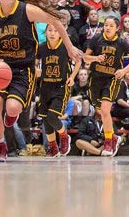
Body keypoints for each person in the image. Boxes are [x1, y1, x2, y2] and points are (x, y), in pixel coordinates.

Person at [0, 0, 82, 162]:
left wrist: (69, 47)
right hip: (0, 68)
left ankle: (12, 115)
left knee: (12, 108)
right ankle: (0, 146)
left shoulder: (26, 10)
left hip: (22, 69)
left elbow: (55, 21)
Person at [84, 16, 129, 157]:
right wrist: (96, 58)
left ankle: (108, 141)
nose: (107, 28)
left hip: (112, 79)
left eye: (111, 26)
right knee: (101, 112)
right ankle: (113, 136)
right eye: (106, 25)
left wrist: (124, 71)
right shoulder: (96, 39)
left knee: (105, 110)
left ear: (117, 28)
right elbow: (85, 57)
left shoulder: (121, 42)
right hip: (96, 79)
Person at [37, 23, 80, 157]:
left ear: (61, 33)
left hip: (61, 87)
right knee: (45, 119)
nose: (52, 33)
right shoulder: (42, 47)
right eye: (50, 30)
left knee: (52, 116)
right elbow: (34, 63)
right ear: (45, 32)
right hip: (45, 86)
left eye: (56, 31)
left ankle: (64, 136)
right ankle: (53, 147)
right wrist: (36, 69)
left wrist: (72, 77)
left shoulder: (67, 47)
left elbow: (78, 61)